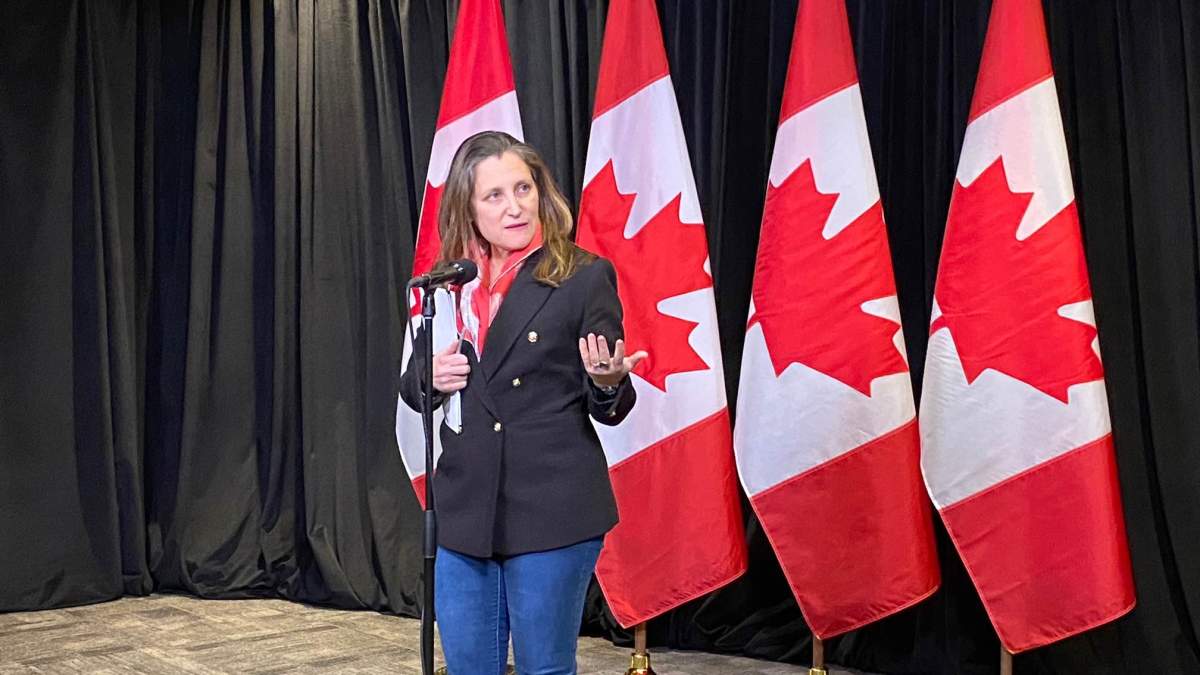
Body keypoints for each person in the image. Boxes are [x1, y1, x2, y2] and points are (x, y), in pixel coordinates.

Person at [399, 130, 645, 675]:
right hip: (466, 509)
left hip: (551, 507)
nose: (515, 207)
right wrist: (430, 379)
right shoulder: (447, 283)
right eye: (495, 196)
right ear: (467, 207)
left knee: (543, 668)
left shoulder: (582, 276)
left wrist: (605, 381)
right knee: (469, 668)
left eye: (523, 188)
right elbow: (415, 390)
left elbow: (611, 404)